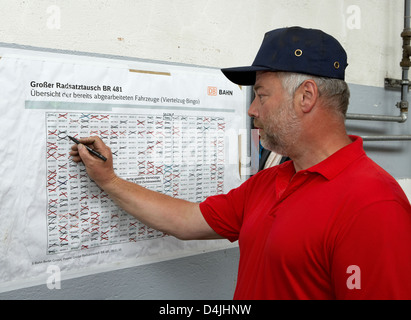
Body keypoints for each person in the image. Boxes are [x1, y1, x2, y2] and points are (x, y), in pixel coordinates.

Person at [70, 26, 411, 300]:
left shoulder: (372, 204)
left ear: (305, 96)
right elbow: (188, 221)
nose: (252, 110)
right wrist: (110, 180)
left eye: (261, 95)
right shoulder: (271, 181)